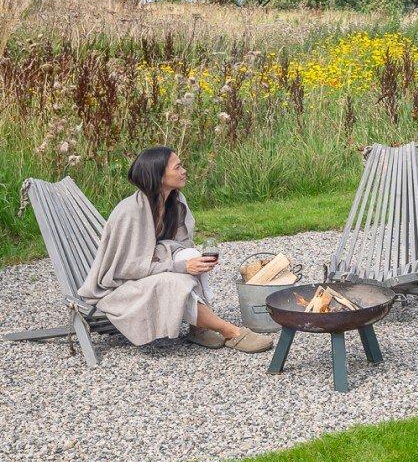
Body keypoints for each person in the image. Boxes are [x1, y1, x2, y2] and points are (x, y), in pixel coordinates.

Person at [79, 145, 273, 353]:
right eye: (177, 167)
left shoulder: (175, 201)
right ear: (158, 175)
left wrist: (190, 262)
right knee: (174, 281)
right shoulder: (131, 212)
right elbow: (127, 269)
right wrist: (178, 267)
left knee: (192, 257)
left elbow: (182, 244)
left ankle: (197, 327)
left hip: (149, 267)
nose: (184, 171)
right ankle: (230, 332)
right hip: (119, 285)